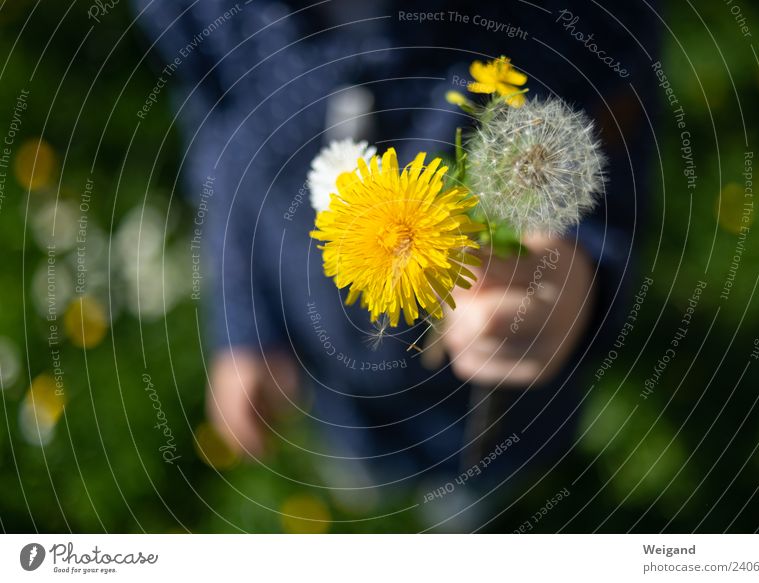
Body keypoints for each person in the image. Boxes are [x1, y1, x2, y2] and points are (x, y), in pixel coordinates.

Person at [133, 0, 658, 520]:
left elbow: (615, 121)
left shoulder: (568, 22)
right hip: (332, 385)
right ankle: (368, 474)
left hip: (488, 406)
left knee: (473, 499)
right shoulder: (198, 14)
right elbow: (214, 136)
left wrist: (579, 270)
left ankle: (468, 506)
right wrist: (244, 322)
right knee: (359, 468)